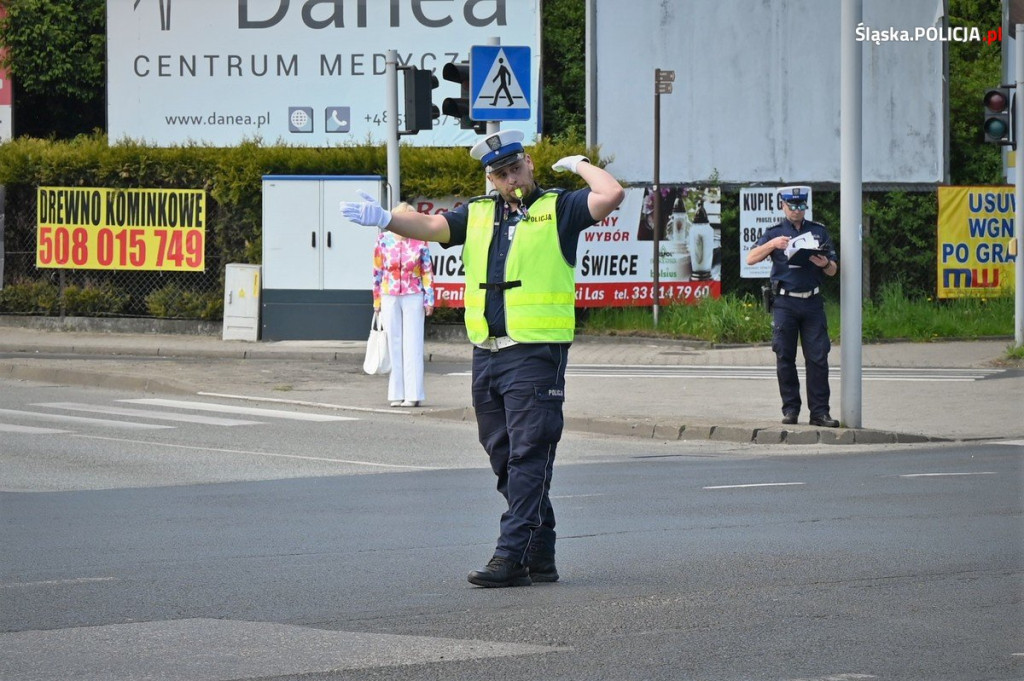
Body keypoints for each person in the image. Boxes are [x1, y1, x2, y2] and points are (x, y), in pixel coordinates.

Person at [340, 129, 624, 587]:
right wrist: (385, 219)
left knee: (529, 455)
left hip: (535, 352)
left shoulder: (559, 208)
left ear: (529, 164)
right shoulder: (477, 213)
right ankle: (541, 553)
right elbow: (431, 228)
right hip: (487, 354)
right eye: (499, 174)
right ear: (490, 179)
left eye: (515, 169)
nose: (509, 180)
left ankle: (510, 556)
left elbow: (610, 193)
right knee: (503, 456)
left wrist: (578, 166)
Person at [745, 186, 840, 428]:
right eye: (792, 206)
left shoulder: (818, 231)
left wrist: (825, 262)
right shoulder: (774, 233)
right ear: (782, 206)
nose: (797, 210)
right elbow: (751, 258)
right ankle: (791, 409)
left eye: (800, 206)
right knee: (785, 356)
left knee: (818, 357)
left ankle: (820, 413)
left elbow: (833, 270)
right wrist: (773, 245)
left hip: (812, 302)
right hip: (785, 302)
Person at [372, 202, 434, 407]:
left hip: (413, 294)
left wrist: (429, 299)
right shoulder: (383, 240)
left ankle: (414, 394)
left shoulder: (419, 241)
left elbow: (427, 271)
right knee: (394, 343)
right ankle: (396, 392)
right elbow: (377, 271)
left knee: (413, 343)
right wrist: (377, 300)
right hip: (389, 294)